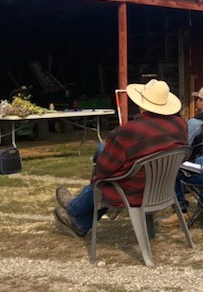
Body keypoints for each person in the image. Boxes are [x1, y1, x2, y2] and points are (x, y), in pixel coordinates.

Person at [54, 79, 187, 237]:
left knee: (103, 182)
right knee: (112, 179)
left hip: (133, 194)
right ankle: (80, 223)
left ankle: (73, 208)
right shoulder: (181, 125)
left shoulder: (128, 131)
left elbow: (103, 171)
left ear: (141, 103)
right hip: (165, 191)